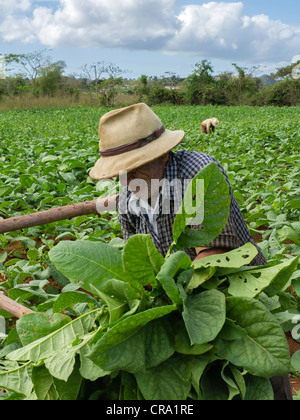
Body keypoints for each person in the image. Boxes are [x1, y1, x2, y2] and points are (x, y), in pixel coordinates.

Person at [89, 102, 293, 400]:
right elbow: (135, 255)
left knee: (261, 369)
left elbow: (212, 254)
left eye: (135, 167)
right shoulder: (127, 196)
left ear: (162, 154)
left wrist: (168, 295)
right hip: (181, 300)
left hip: (235, 286)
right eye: (121, 171)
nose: (127, 179)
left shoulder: (197, 172)